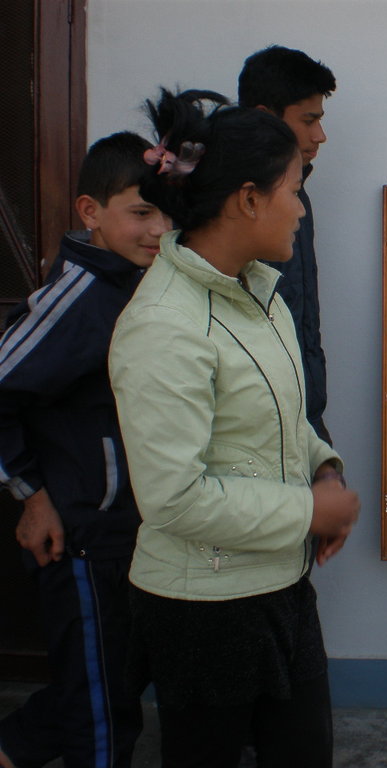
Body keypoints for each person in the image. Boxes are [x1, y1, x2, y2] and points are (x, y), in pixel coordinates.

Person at [107, 89, 360, 767]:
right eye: (293, 191)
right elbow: (173, 498)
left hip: (280, 586)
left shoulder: (259, 294)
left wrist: (323, 469)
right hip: (203, 610)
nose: (300, 209)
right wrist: (309, 511)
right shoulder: (164, 324)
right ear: (248, 199)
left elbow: (284, 420)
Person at [0, 132, 171, 768]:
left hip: (128, 531)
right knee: (102, 716)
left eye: (166, 213)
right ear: (90, 211)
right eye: (141, 212)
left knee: (108, 683)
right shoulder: (77, 298)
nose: (159, 230)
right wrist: (32, 496)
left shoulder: (139, 285)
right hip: (81, 535)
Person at [238, 45, 336, 443]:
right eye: (308, 120)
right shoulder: (227, 207)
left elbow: (299, 321)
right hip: (257, 436)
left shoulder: (298, 196)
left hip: (302, 425)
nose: (320, 136)